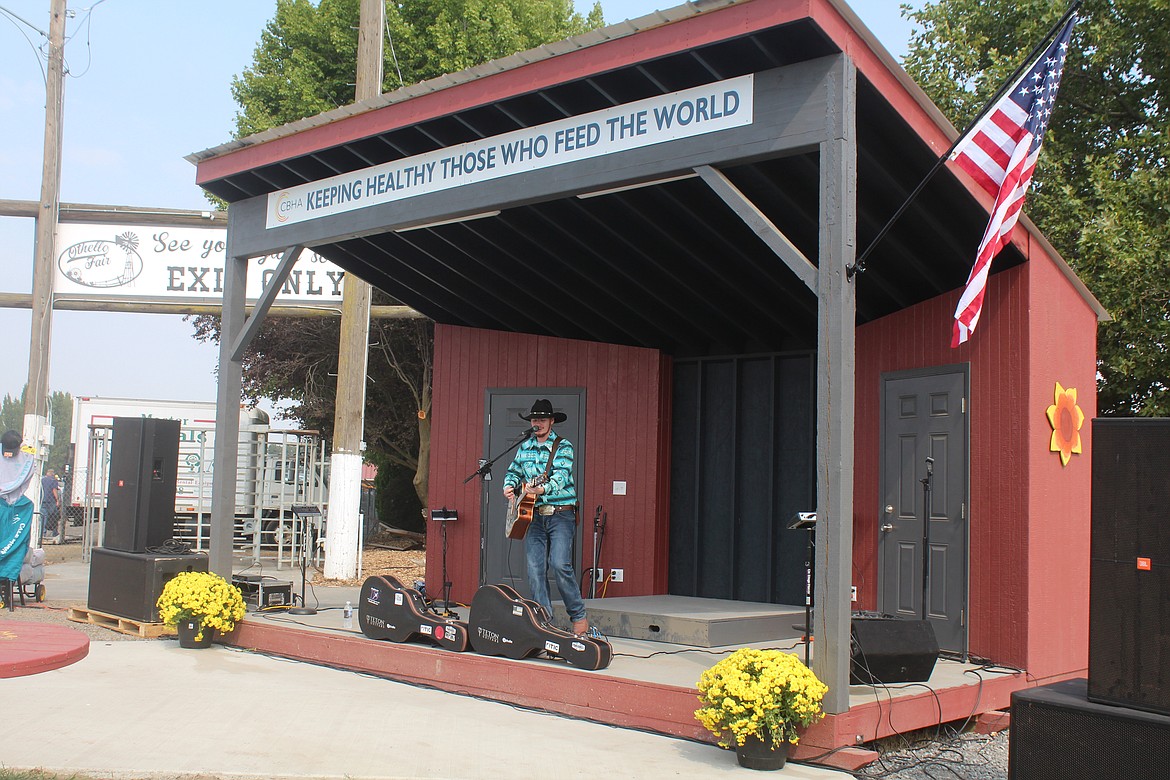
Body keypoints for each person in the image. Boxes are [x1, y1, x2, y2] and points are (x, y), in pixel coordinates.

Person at [502, 399, 590, 636]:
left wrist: (543, 488)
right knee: (534, 569)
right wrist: (510, 487)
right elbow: (513, 472)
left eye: (542, 419)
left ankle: (579, 617)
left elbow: (561, 476)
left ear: (551, 421)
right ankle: (544, 621)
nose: (537, 423)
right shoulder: (525, 447)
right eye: (534, 419)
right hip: (533, 516)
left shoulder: (564, 446)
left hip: (561, 514)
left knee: (560, 565)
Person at [1, 430, 36, 598]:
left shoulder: (27, 459)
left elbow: (24, 479)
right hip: (8, 505)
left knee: (15, 543)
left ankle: (6, 583)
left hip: (16, 507)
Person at [40, 467, 60, 542]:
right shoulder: (53, 481)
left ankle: (42, 533)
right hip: (51, 501)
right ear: (53, 474)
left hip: (43, 500)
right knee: (54, 517)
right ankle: (54, 532)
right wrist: (57, 500)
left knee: (43, 517)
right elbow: (54, 490)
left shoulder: (42, 480)